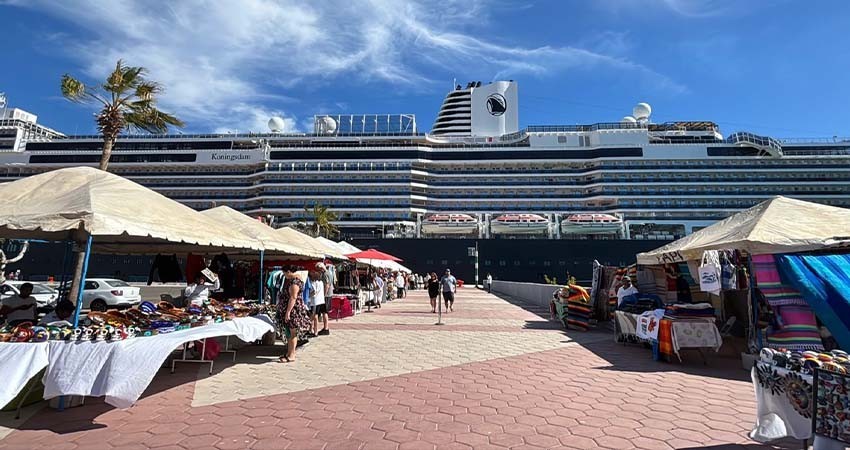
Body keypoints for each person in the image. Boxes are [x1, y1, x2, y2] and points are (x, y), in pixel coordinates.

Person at [278, 266, 311, 363]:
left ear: (288, 272)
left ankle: (292, 355)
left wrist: (288, 312)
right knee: (289, 333)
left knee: (292, 333)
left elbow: (293, 297)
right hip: (291, 310)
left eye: (284, 274)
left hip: (293, 311)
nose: (284, 276)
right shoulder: (296, 280)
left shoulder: (295, 282)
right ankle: (289, 353)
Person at [309, 265, 329, 336]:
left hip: (315, 301)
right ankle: (313, 330)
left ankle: (314, 331)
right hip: (321, 300)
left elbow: (314, 292)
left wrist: (309, 296)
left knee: (314, 316)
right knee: (317, 315)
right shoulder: (321, 283)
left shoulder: (314, 283)